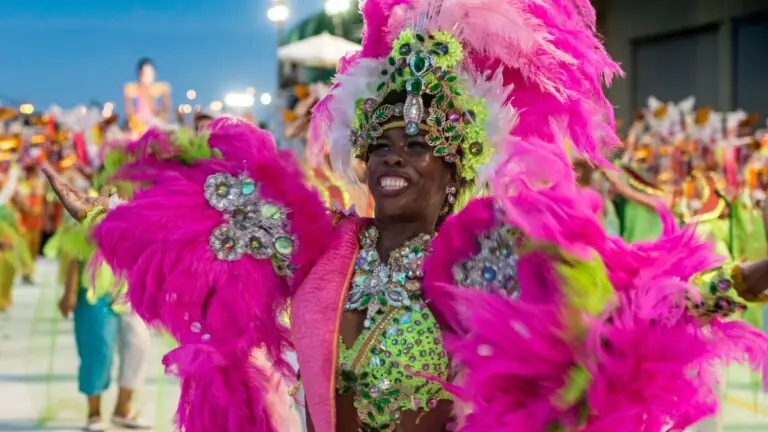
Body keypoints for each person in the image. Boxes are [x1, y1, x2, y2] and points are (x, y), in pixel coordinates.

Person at [46, 0, 768, 431]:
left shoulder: (485, 255)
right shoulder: (318, 246)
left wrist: (739, 281)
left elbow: (622, 310)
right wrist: (119, 218)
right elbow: (203, 242)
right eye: (382, 144)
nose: (395, 158)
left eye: (419, 146)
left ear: (454, 168)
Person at [123, 58, 171, 137]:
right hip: (138, 124)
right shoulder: (133, 88)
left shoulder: (158, 88)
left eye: (151, 72)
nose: (149, 75)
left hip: (154, 122)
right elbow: (129, 112)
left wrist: (166, 98)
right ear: (140, 73)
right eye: (146, 72)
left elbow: (164, 111)